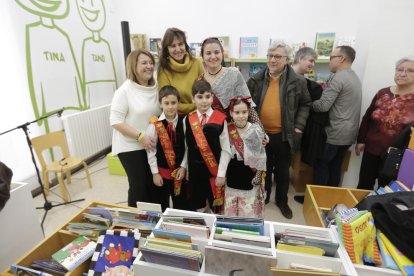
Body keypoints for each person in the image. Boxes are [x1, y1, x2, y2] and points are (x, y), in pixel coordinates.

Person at [247, 41, 311, 219]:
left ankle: (282, 201)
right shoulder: (256, 79)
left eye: (277, 56)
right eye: (270, 56)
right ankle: (264, 198)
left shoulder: (298, 81)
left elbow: (306, 104)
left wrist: (299, 126)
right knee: (264, 169)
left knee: (283, 172)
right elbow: (246, 103)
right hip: (261, 134)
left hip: (285, 135)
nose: (273, 60)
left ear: (287, 59)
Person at [110, 49, 161, 207]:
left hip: (151, 144)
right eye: (144, 63)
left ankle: (154, 218)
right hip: (130, 146)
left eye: (151, 63)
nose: (149, 66)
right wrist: (141, 136)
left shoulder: (155, 87)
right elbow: (115, 121)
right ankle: (135, 222)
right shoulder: (124, 91)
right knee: (139, 187)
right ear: (133, 66)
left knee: (154, 184)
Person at [356, 56, 414, 190]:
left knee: (386, 191)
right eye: (400, 69)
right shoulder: (382, 93)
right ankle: (359, 211)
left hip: (397, 156)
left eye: (410, 71)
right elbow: (367, 118)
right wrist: (361, 140)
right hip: (371, 149)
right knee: (363, 186)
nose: (403, 73)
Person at [312, 46, 362, 187]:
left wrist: (308, 102)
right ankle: (330, 200)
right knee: (335, 167)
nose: (329, 61)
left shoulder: (338, 77)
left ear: (341, 59)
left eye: (331, 58)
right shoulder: (354, 77)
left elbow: (323, 106)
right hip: (349, 133)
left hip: (336, 132)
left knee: (322, 164)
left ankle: (316, 199)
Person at [183, 80, 231, 214]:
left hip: (214, 171)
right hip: (194, 172)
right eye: (199, 97)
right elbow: (187, 147)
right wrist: (185, 167)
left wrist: (221, 174)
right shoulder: (187, 119)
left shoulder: (221, 119)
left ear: (212, 97)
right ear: (193, 99)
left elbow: (226, 150)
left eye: (207, 96)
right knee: (198, 204)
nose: (204, 101)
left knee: (216, 207)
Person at [291, 47, 329, 204]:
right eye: (311, 60)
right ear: (300, 58)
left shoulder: (309, 85)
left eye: (314, 61)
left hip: (297, 128)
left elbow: (305, 106)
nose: (313, 64)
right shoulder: (284, 77)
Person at [200, 37, 262, 126]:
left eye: (217, 52)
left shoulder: (234, 74)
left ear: (222, 54)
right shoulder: (200, 80)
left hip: (232, 131)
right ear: (203, 56)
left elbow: (249, 105)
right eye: (208, 53)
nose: (213, 56)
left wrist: (260, 130)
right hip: (208, 131)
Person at [145, 86, 187, 211]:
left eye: (173, 103)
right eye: (166, 103)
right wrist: (155, 173)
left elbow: (187, 147)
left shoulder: (185, 121)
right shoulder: (155, 124)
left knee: (181, 205)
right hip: (162, 173)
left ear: (178, 103)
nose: (170, 107)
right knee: (162, 204)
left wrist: (184, 167)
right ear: (160, 104)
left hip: (180, 173)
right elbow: (151, 151)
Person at [224, 97, 266, 218]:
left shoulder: (255, 130)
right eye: (237, 112)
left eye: (244, 112)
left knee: (247, 212)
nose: (241, 116)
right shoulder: (227, 129)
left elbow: (261, 156)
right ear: (231, 113)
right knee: (230, 212)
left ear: (249, 112)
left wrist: (258, 175)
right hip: (232, 174)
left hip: (249, 175)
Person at [158, 28, 204, 114]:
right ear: (166, 49)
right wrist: (195, 105)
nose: (178, 49)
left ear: (185, 45)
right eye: (173, 46)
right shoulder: (163, 69)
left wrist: (199, 106)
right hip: (176, 117)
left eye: (180, 44)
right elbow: (166, 102)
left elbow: (204, 92)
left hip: (200, 113)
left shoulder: (197, 63)